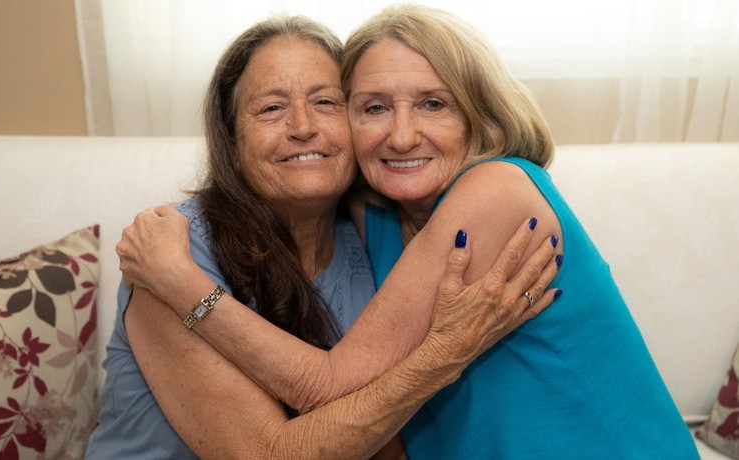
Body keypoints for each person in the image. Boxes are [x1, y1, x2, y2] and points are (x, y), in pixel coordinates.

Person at [119, 4, 699, 458]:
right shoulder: (374, 217)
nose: (400, 136)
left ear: (480, 112)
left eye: (432, 104)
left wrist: (181, 283)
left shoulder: (496, 190)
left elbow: (327, 387)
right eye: (372, 107)